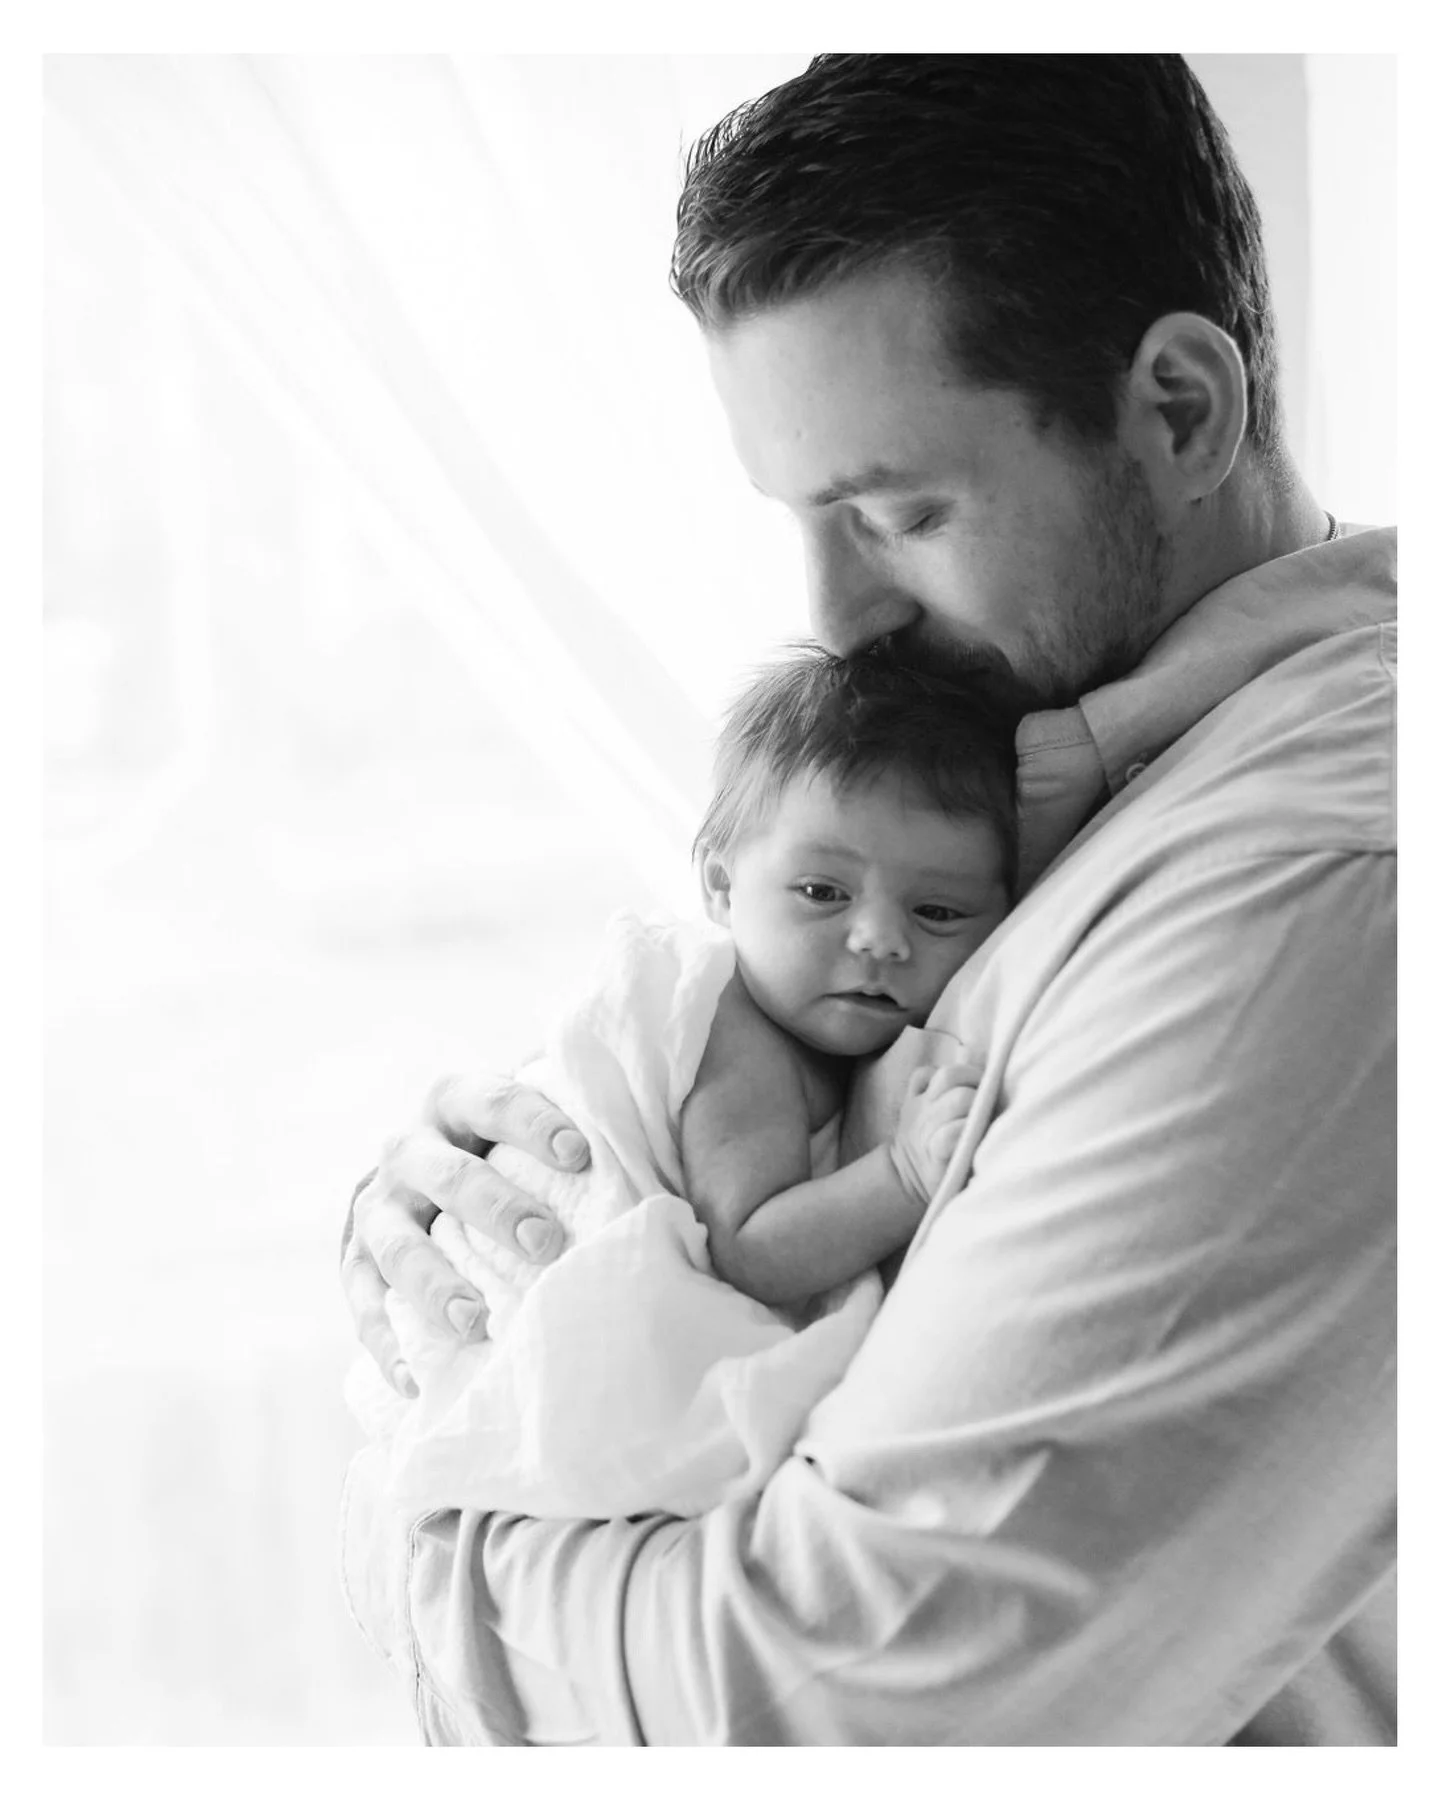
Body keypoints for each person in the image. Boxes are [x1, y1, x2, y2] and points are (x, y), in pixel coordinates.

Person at [339, 54, 1396, 1744]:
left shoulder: (1324, 883)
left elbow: (841, 1709)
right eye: (804, 523)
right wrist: (518, 1226)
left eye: (898, 511)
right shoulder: (1063, 783)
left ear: (1180, 410)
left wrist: (442, 1486)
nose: (832, 618)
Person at [345, 647, 1015, 1522]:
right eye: (822, 891)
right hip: (521, 1283)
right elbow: (752, 1245)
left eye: (938, 912)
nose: (880, 938)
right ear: (720, 886)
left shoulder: (808, 1022)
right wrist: (904, 1174)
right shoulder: (738, 1030)